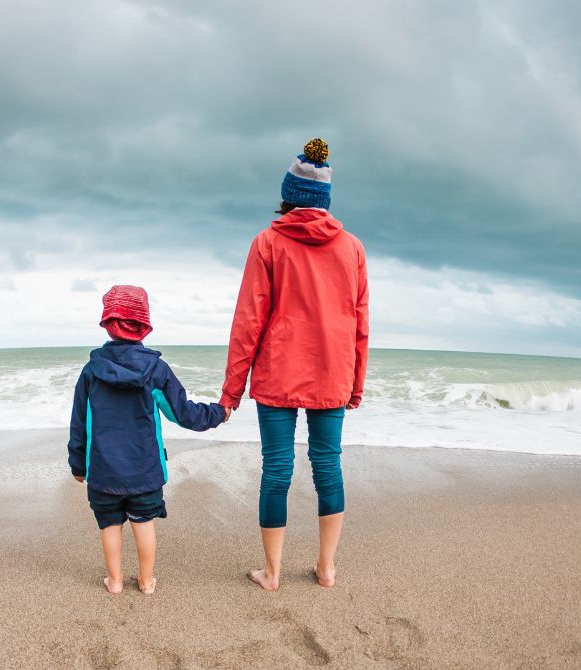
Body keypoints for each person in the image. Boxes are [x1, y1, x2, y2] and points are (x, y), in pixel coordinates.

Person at [221, 138, 369, 591]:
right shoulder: (352, 249)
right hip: (332, 372)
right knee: (329, 465)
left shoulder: (267, 243)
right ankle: (326, 569)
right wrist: (355, 383)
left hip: (278, 373)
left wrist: (231, 390)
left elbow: (249, 320)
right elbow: (360, 321)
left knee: (277, 469)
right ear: (324, 202)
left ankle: (273, 573)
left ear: (287, 197)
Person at [68, 285, 229, 594]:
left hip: (103, 472)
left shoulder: (91, 371)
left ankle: (114, 582)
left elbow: (78, 424)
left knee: (109, 525)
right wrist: (218, 413)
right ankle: (145, 581)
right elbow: (182, 413)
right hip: (144, 471)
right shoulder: (156, 370)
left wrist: (78, 464)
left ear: (107, 323)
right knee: (144, 523)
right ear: (144, 325)